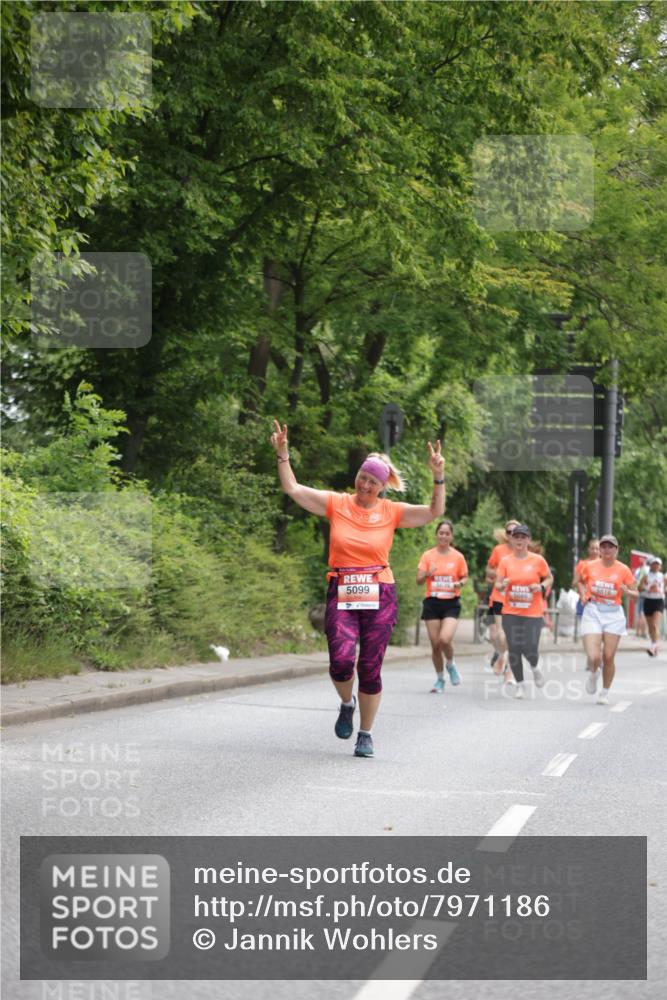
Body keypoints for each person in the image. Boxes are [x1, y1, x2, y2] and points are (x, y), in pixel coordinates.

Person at [270, 419, 445, 758]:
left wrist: (438, 475)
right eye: (363, 477)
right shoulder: (337, 504)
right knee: (340, 662)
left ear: (382, 486)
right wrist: (283, 454)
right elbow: (292, 488)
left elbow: (434, 511)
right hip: (342, 589)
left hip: (380, 592)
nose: (365, 484)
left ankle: (365, 733)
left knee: (369, 667)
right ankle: (346, 702)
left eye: (372, 481)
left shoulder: (392, 512)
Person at [578, 534, 639, 705]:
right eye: (603, 546)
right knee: (593, 656)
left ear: (616, 550)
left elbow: (636, 595)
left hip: (613, 614)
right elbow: (580, 582)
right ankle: (594, 674)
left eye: (610, 546)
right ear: (600, 550)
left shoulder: (624, 570)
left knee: (608, 656)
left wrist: (627, 592)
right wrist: (583, 594)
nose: (606, 549)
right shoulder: (590, 566)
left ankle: (604, 692)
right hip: (593, 611)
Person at [495, 525, 553, 700]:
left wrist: (540, 586)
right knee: (514, 649)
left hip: (532, 612)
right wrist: (503, 585)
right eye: (516, 537)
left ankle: (535, 668)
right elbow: (497, 584)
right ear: (511, 540)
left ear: (528, 540)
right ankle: (520, 685)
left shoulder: (538, 560)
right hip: (511, 611)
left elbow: (549, 578)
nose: (519, 540)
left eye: (523, 537)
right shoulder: (505, 561)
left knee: (529, 647)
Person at [416, 520, 468, 696]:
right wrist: (427, 573)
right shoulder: (428, 556)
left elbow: (464, 577)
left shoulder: (458, 557)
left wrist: (460, 583)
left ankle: (451, 664)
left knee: (444, 639)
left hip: (451, 603)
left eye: (447, 533)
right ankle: (440, 679)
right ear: (436, 535)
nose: (443, 536)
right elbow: (418, 580)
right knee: (435, 645)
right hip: (432, 602)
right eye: (441, 533)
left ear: (451, 536)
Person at [485, 520, 521, 682]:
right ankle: (502, 655)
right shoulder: (499, 550)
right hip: (498, 596)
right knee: (497, 636)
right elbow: (488, 570)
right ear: (506, 535)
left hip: (517, 599)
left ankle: (509, 671)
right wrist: (500, 574)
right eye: (509, 532)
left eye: (515, 531)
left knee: (511, 635)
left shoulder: (524, 552)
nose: (512, 535)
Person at [639, 556, 665, 657]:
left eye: (658, 564)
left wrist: (661, 590)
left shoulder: (663, 577)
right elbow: (639, 588)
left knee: (654, 625)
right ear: (651, 565)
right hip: (648, 601)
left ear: (660, 566)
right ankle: (654, 644)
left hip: (659, 601)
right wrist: (647, 588)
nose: (656, 566)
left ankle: (654, 647)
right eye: (654, 564)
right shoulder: (646, 576)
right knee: (650, 627)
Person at [572, 539, 600, 623]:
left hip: (600, 603)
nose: (595, 551)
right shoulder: (582, 564)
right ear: (588, 549)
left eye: (597, 549)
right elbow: (574, 582)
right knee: (584, 629)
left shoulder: (605, 565)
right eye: (592, 548)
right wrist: (581, 586)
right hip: (585, 601)